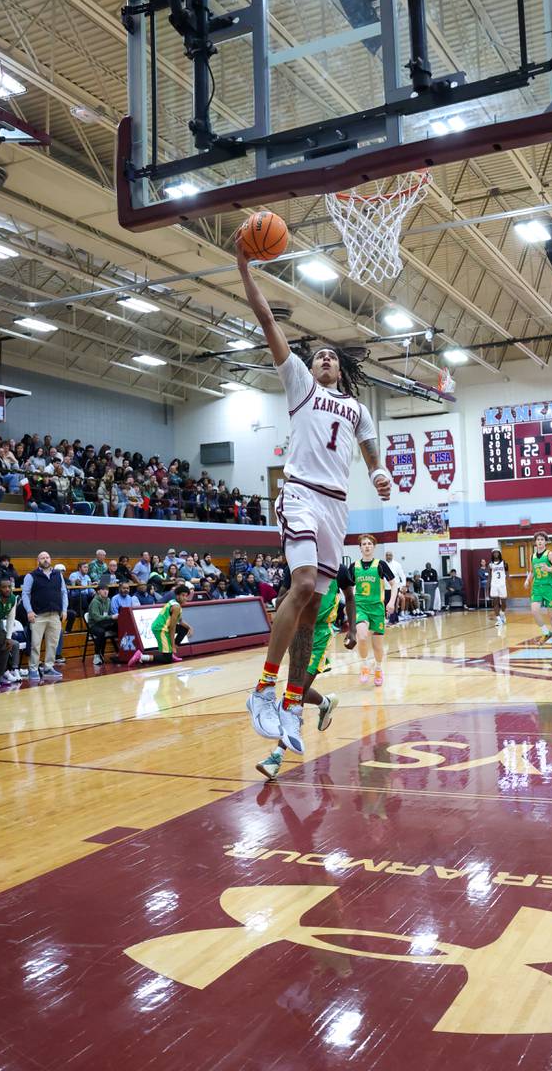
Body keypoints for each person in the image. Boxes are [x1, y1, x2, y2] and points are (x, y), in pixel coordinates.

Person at [238, 235, 390, 754]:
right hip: (300, 492)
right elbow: (267, 321)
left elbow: (370, 453)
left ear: (342, 370)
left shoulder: (358, 407)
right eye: (318, 355)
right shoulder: (301, 385)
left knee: (312, 610)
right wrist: (245, 267)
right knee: (301, 583)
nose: (323, 359)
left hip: (337, 507)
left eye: (330, 357)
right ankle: (262, 689)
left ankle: (292, 703)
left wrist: (380, 475)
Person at [257, 563, 357, 781]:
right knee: (298, 690)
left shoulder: (336, 567)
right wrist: (295, 596)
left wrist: (353, 630)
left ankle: (277, 757)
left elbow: (349, 597)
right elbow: (280, 601)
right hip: (298, 631)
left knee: (295, 693)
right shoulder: (295, 566)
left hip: (320, 633)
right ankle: (325, 703)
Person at [352, 535, 397, 685]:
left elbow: (394, 584)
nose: (366, 546)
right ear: (360, 548)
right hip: (360, 606)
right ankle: (364, 665)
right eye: (364, 544)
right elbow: (347, 588)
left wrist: (391, 602)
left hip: (377, 608)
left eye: (369, 544)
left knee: (377, 646)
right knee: (362, 637)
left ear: (374, 547)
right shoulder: (354, 566)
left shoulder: (380, 564)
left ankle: (378, 668)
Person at [21, 552, 68, 684]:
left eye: (47, 557)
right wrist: (29, 611)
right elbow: (25, 594)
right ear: (38, 561)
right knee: (35, 644)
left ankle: (48, 667)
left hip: (55, 615)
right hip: (38, 615)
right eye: (42, 558)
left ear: (50, 559)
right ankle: (33, 668)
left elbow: (64, 592)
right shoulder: (31, 576)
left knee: (53, 643)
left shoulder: (58, 574)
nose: (45, 560)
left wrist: (64, 610)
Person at [129, 583, 194, 667]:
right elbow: (172, 627)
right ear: (177, 596)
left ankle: (170, 654)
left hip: (165, 627)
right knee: (167, 659)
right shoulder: (176, 607)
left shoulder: (175, 603)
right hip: (160, 628)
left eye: (186, 596)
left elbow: (180, 621)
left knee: (184, 629)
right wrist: (173, 645)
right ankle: (141, 656)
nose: (185, 598)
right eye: (183, 595)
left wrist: (190, 627)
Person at [525, 532, 552, 646]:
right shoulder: (532, 556)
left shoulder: (550, 554)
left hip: (549, 586)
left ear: (545, 542)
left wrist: (548, 569)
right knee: (534, 611)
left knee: (551, 615)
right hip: (537, 586)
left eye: (542, 539)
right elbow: (532, 572)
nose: (540, 541)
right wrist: (527, 580)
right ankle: (546, 633)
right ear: (535, 542)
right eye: (538, 539)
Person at [87, 583, 118, 666]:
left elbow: (109, 613)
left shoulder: (108, 600)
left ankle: (122, 651)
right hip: (94, 625)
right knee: (101, 632)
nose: (106, 591)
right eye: (103, 590)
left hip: (104, 623)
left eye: (107, 590)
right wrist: (111, 617)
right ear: (98, 592)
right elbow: (96, 618)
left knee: (119, 626)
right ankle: (97, 655)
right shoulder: (95, 602)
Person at [488, 549, 508, 627]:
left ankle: (502, 613)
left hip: (502, 584)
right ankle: (499, 619)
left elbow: (507, 574)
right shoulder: (490, 565)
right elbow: (489, 576)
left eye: (497, 553)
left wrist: (509, 584)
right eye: (494, 553)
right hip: (494, 585)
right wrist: (488, 586)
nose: (496, 554)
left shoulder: (504, 563)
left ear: (499, 554)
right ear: (492, 554)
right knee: (495, 602)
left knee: (504, 603)